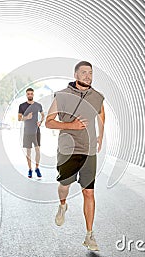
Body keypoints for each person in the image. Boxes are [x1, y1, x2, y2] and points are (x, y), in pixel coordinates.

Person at [45, 61, 105, 251]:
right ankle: (62, 205)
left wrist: (100, 136)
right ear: (76, 74)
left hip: (89, 150)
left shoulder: (97, 97)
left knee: (89, 192)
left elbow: (102, 115)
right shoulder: (62, 96)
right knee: (65, 185)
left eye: (90, 73)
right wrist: (72, 126)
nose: (88, 76)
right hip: (67, 150)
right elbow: (49, 122)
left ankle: (89, 235)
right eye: (84, 72)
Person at [18, 88, 45, 178]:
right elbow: (19, 118)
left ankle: (37, 168)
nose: (30, 95)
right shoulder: (22, 106)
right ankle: (30, 169)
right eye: (28, 94)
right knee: (28, 152)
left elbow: (43, 115)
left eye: (31, 94)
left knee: (37, 150)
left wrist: (40, 121)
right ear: (26, 95)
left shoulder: (38, 105)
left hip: (36, 131)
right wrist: (26, 117)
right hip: (27, 132)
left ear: (33, 94)